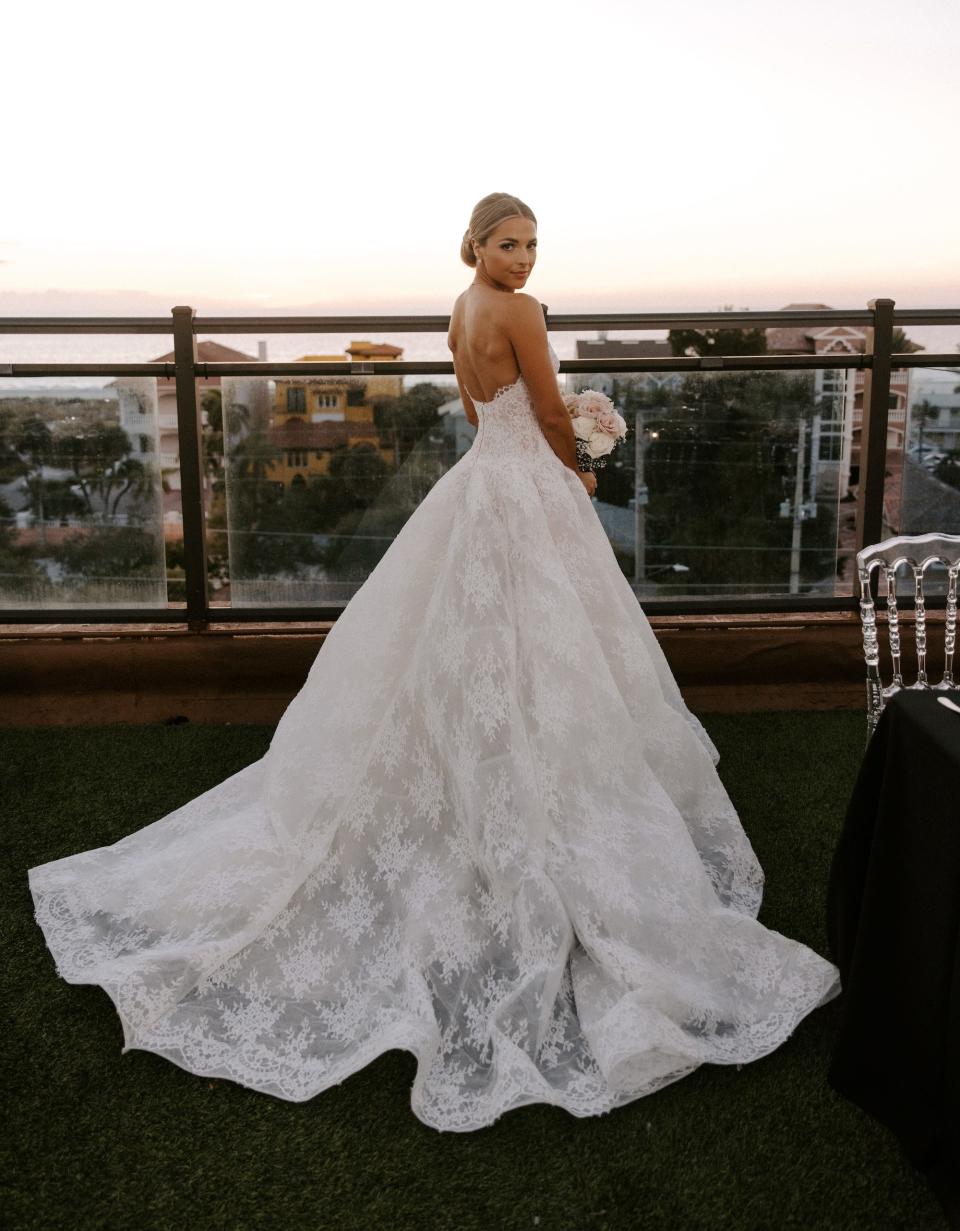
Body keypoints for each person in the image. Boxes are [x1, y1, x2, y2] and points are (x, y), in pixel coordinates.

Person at [28, 192, 839, 1132]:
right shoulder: (525, 312)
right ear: (478, 243)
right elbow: (539, 405)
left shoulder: (459, 306)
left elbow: (471, 402)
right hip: (525, 486)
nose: (524, 259)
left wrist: (547, 430)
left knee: (468, 646)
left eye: (533, 244)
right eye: (509, 243)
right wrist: (579, 458)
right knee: (547, 647)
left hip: (478, 487)